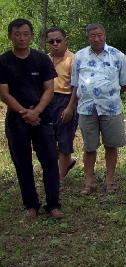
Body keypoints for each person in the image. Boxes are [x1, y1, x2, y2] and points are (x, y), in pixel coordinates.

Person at [0, 19, 61, 218]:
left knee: (50, 160)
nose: (22, 38)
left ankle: (53, 204)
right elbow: (4, 94)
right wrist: (25, 113)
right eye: (17, 34)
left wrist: (36, 112)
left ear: (32, 35)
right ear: (10, 36)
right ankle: (31, 205)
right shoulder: (4, 61)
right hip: (17, 119)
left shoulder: (42, 59)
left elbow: (49, 89)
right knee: (22, 162)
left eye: (26, 34)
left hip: (42, 116)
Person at [67, 23, 126, 195]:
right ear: (88, 37)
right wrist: (70, 106)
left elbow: (125, 83)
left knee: (111, 146)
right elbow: (75, 84)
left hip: (111, 109)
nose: (96, 38)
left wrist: (109, 94)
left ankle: (109, 181)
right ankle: (89, 182)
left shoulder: (118, 56)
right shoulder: (79, 56)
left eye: (100, 35)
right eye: (93, 35)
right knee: (89, 147)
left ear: (105, 35)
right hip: (86, 108)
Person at [44, 27, 78, 181]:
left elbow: (76, 86)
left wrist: (70, 107)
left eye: (58, 40)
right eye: (51, 41)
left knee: (65, 139)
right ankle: (67, 162)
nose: (55, 44)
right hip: (47, 101)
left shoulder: (73, 59)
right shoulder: (45, 59)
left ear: (65, 40)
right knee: (49, 139)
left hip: (66, 100)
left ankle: (59, 179)